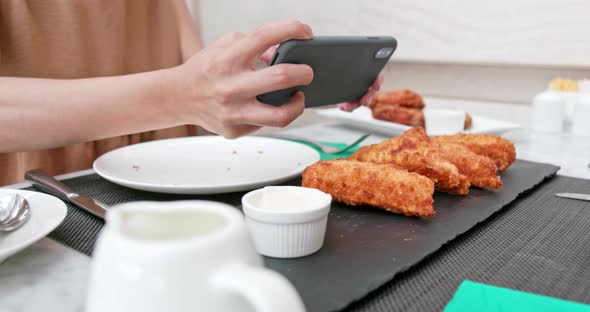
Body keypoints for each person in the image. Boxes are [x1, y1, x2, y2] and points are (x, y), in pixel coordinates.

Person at [0, 1, 382, 185]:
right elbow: (182, 91)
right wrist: (181, 96)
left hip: (164, 186)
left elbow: (195, 76)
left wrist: (262, 84)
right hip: (41, 199)